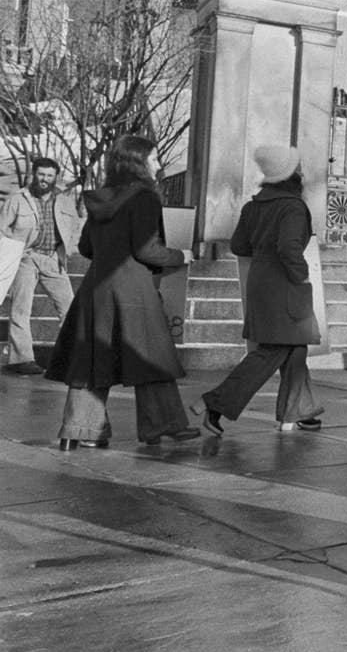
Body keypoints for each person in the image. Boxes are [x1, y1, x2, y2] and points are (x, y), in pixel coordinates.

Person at [46, 134, 199, 448]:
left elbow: (86, 246)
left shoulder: (102, 198)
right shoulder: (144, 197)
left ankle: (80, 431)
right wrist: (179, 256)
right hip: (133, 288)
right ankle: (164, 424)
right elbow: (147, 250)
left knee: (91, 358)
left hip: (96, 287)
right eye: (153, 158)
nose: (158, 165)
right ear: (138, 162)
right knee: (152, 356)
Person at [190, 145, 323, 437]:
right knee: (272, 351)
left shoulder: (253, 206)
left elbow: (239, 246)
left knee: (295, 348)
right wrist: (300, 274)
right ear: (290, 175)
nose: (301, 172)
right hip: (286, 286)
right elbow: (288, 248)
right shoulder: (292, 207)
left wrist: (263, 249)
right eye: (297, 168)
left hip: (260, 283)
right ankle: (215, 402)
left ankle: (299, 410)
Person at [2, 157, 84, 375]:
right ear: (33, 174)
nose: (44, 179)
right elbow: (2, 229)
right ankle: (21, 360)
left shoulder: (65, 201)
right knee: (21, 308)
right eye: (41, 174)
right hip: (26, 258)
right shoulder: (18, 199)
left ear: (55, 177)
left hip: (53, 259)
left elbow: (75, 227)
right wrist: (15, 250)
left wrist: (69, 249)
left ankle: (71, 357)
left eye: (49, 175)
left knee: (70, 307)